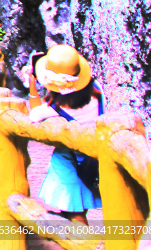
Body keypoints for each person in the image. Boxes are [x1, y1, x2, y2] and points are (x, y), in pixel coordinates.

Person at [25, 45, 103, 224]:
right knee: (76, 209)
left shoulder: (57, 107)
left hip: (72, 162)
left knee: (73, 212)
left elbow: (34, 116)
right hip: (94, 159)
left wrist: (32, 86)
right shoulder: (97, 92)